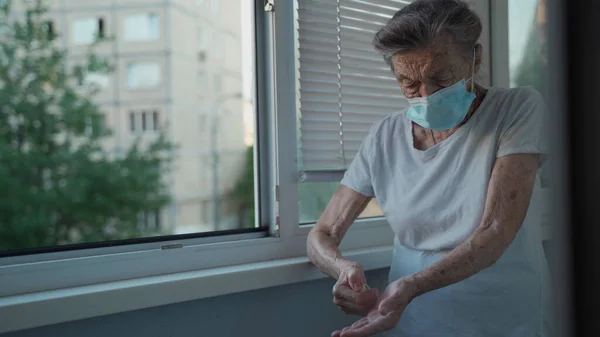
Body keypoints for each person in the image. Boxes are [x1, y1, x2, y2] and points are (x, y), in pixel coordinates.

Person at [306, 0, 551, 336]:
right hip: (410, 319)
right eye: (409, 83)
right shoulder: (384, 136)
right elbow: (322, 234)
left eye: (442, 78)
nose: (426, 95)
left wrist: (412, 285)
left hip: (503, 318)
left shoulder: (516, 109)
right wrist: (343, 270)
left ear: (476, 58)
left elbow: (495, 231)